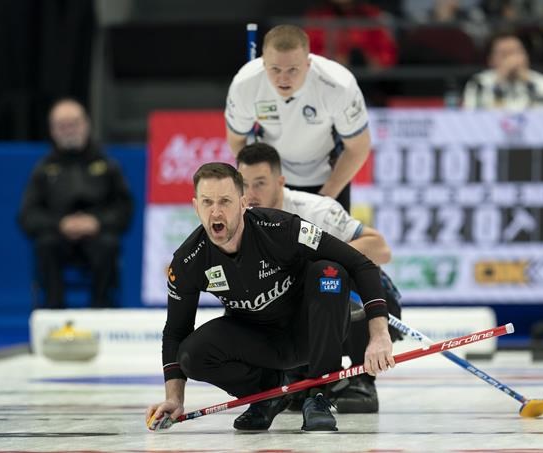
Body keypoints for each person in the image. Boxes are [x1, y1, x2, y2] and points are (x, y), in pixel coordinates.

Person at [146, 163, 394, 432]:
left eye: (225, 201)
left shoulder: (281, 227)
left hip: (311, 332)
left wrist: (379, 334)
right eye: (207, 202)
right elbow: (175, 332)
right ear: (196, 206)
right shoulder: (188, 261)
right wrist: (174, 398)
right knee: (190, 355)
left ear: (243, 203)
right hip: (260, 344)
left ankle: (319, 396)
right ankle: (268, 394)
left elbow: (362, 264)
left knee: (329, 272)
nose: (215, 212)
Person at [236, 142, 403, 414]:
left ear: (280, 182)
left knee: (330, 275)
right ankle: (300, 374)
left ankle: (361, 378)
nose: (251, 194)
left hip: (363, 305)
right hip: (308, 314)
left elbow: (380, 248)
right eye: (244, 184)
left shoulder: (316, 209)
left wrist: (326, 255)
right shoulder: (239, 221)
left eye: (260, 183)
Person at [225, 24, 372, 212]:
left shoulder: (338, 85)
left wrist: (323, 199)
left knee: (333, 232)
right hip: (273, 180)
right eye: (275, 69)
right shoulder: (245, 84)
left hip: (328, 177)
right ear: (263, 64)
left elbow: (358, 147)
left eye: (292, 70)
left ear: (308, 65)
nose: (283, 79)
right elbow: (236, 139)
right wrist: (254, 180)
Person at [18, 98, 133, 309]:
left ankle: (100, 310)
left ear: (86, 124)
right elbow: (28, 215)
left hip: (97, 235)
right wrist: (59, 224)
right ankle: (54, 311)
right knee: (45, 244)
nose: (69, 130)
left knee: (109, 244)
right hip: (58, 235)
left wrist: (97, 222)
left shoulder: (108, 166)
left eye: (74, 124)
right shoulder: (43, 170)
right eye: (62, 126)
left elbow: (124, 209)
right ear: (52, 130)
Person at [462, 31, 543, 110]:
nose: (512, 59)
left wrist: (528, 83)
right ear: (490, 60)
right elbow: (473, 115)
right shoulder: (479, 83)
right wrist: (499, 82)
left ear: (526, 56)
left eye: (516, 52)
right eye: (504, 54)